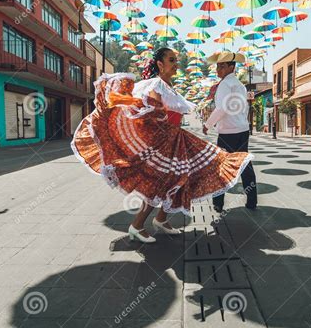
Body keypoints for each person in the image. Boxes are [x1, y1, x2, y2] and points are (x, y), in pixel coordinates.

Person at [71, 47, 253, 243]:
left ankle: (161, 219)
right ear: (160, 64)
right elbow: (151, 112)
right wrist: (159, 116)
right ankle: (137, 225)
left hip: (175, 139)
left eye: (176, 60)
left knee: (180, 179)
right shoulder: (156, 85)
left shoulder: (167, 86)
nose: (176, 64)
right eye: (172, 60)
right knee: (160, 183)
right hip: (164, 142)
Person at [202, 51, 257, 212]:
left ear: (231, 67)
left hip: (228, 132)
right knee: (244, 164)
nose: (218, 69)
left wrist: (208, 124)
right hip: (242, 129)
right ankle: (252, 200)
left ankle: (218, 202)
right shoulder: (240, 85)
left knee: (222, 166)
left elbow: (222, 108)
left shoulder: (225, 84)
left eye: (222, 66)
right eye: (217, 66)